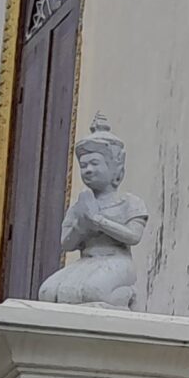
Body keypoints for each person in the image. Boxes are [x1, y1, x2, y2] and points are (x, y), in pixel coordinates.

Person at [36, 118, 147, 307]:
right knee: (48, 293)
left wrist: (99, 221)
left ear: (115, 169)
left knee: (93, 291)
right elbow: (67, 244)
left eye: (95, 163)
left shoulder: (130, 202)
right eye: (84, 166)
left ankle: (126, 296)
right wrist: (81, 225)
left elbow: (133, 237)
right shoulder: (80, 205)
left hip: (117, 260)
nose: (88, 170)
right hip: (87, 261)